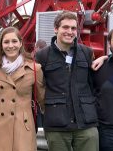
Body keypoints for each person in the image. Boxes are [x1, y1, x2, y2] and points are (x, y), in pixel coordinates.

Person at [35, 11, 98, 151]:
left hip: (85, 123)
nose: (69, 32)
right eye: (65, 27)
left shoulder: (87, 53)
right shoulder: (42, 56)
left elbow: (93, 84)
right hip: (56, 125)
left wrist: (104, 58)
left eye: (73, 28)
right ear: (56, 29)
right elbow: (39, 87)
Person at [0, 26, 45, 151]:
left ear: (20, 43)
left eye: (14, 41)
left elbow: (42, 99)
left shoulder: (35, 69)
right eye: (6, 42)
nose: (10, 45)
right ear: (1, 45)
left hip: (22, 126)